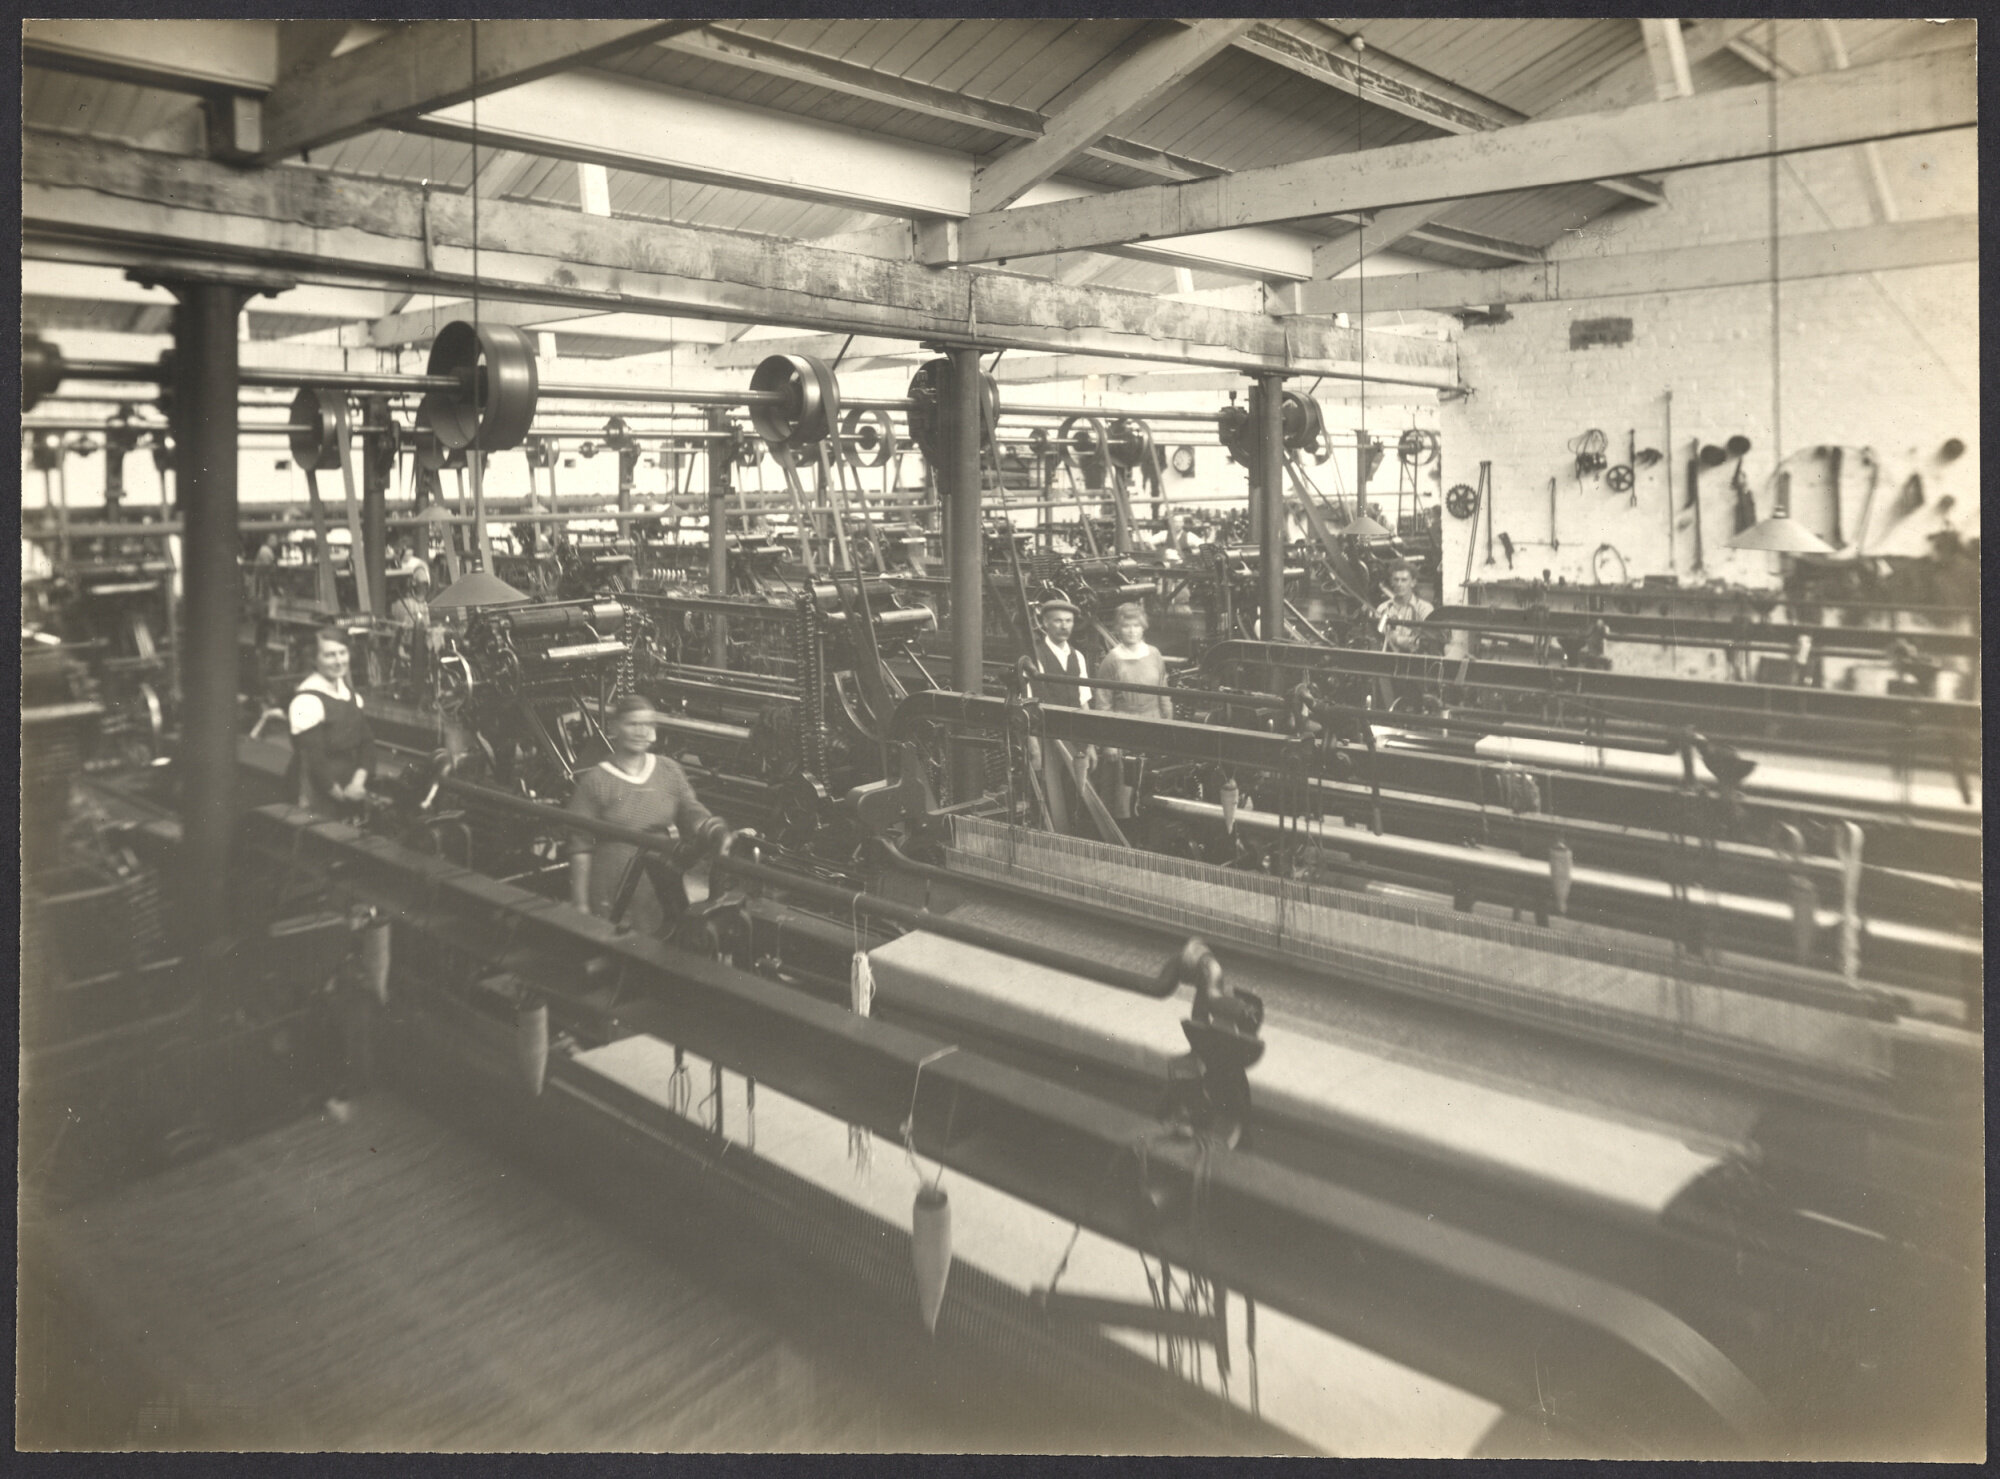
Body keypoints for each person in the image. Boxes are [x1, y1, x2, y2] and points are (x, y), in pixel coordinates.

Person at [567, 695, 731, 938]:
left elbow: (689, 808)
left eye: (647, 724)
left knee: (659, 943)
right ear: (615, 728)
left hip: (656, 886)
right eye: (633, 724)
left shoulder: (668, 771)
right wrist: (580, 905)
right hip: (612, 887)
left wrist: (709, 827)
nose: (641, 731)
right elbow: (579, 846)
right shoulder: (596, 781)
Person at [1091, 603, 1171, 819]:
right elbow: (1103, 703)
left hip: (1153, 726)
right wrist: (1109, 743)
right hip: (1123, 731)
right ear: (1118, 629)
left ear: (1143, 627)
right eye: (1126, 626)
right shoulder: (1112, 660)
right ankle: (1125, 832)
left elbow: (1163, 693)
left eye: (1136, 625)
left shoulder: (1154, 654)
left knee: (1151, 786)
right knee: (1122, 792)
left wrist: (1169, 726)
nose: (1132, 631)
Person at [287, 626, 376, 817]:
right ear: (314, 659)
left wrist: (357, 783)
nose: (339, 661)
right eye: (329, 655)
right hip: (318, 791)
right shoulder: (306, 701)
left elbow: (367, 742)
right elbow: (314, 760)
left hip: (350, 785)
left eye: (342, 653)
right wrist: (341, 796)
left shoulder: (350, 695)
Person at [1374, 560, 1435, 708]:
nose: (1399, 584)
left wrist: (1396, 639)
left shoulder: (1424, 609)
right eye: (1396, 580)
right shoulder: (1383, 609)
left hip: (1414, 669)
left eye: (1404, 580)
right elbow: (1377, 638)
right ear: (1391, 582)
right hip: (1388, 668)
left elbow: (1424, 642)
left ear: (1413, 583)